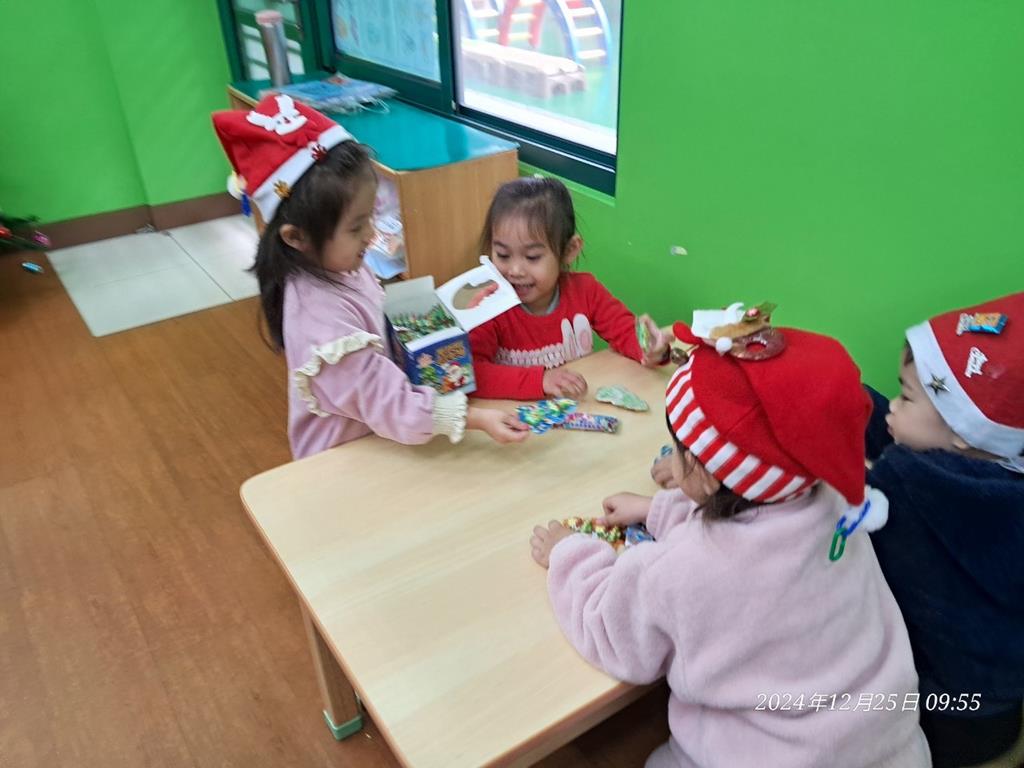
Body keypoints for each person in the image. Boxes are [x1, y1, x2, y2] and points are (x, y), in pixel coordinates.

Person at [531, 306, 930, 767]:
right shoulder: (833, 502)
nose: (672, 461)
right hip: (889, 746)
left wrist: (569, 553)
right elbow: (754, 529)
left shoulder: (688, 568)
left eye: (678, 450)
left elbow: (612, 635)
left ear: (706, 473)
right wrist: (657, 509)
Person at [212, 95, 528, 459]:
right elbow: (390, 403)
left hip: (380, 435)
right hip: (342, 461)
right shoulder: (320, 323)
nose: (371, 234)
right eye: (356, 226)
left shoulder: (338, 265)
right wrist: (476, 417)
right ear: (296, 237)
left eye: (370, 217)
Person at [865, 292, 1024, 767]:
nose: (893, 407)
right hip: (1000, 699)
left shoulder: (907, 483)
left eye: (907, 397)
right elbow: (894, 429)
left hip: (941, 708)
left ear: (963, 429)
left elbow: (846, 530)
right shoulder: (1002, 467)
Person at [467, 177, 669, 400]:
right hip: (514, 416)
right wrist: (540, 380)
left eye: (532, 257)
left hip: (578, 409)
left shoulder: (585, 291)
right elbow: (470, 375)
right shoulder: (489, 307)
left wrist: (651, 348)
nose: (515, 270)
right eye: (503, 255)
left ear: (569, 250)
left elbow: (624, 331)